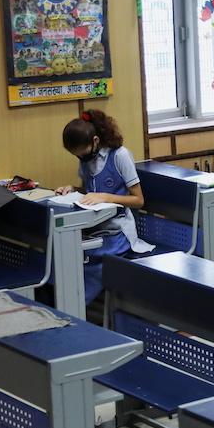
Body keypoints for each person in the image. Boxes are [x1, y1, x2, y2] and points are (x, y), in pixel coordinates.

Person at [54, 109, 154, 303]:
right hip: (92, 229)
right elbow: (90, 192)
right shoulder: (86, 159)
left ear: (96, 141)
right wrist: (73, 189)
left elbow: (138, 200)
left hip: (117, 233)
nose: (81, 159)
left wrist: (107, 197)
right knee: (62, 257)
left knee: (84, 262)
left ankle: (75, 307)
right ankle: (65, 304)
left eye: (82, 154)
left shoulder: (120, 156)